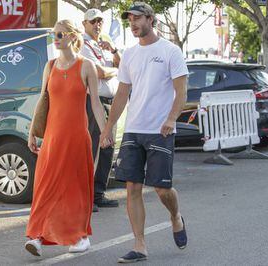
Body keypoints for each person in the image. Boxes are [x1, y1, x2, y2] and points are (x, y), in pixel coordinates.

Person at [100, 2, 189, 263]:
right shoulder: (129, 54)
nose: (133, 23)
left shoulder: (170, 51)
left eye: (137, 18)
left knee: (162, 189)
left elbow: (181, 91)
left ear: (151, 19)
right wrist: (107, 128)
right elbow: (121, 94)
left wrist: (172, 118)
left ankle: (175, 217)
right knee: (132, 188)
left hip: (160, 129)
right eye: (130, 20)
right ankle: (139, 245)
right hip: (134, 129)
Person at [25, 19, 109, 256]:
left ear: (72, 37)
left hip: (76, 138)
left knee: (75, 189)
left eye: (60, 34)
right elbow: (42, 101)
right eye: (54, 34)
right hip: (52, 139)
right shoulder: (49, 66)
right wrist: (32, 132)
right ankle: (36, 236)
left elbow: (95, 104)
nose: (56, 38)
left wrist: (105, 131)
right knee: (44, 188)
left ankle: (80, 236)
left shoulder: (86, 66)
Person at [81, 8, 120, 210]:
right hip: (94, 101)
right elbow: (101, 72)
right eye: (93, 21)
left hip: (110, 102)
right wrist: (115, 71)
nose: (97, 24)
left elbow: (123, 65)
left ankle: (98, 193)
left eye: (100, 21)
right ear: (84, 24)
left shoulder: (103, 44)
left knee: (108, 147)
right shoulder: (83, 44)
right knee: (94, 147)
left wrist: (113, 51)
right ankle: (87, 196)